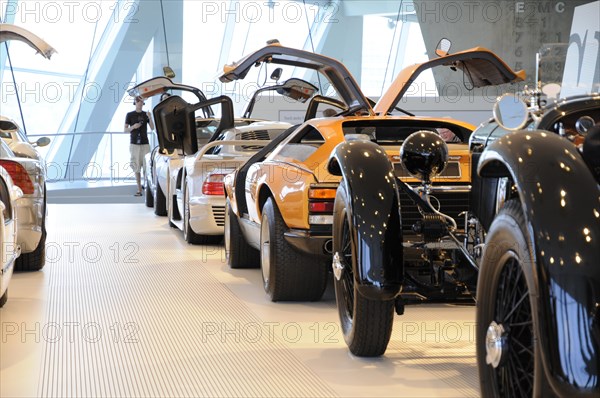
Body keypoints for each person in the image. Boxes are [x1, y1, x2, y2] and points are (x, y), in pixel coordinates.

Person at [125, 96, 155, 196]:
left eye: (141, 101)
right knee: (136, 166)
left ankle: (146, 187)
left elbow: (152, 127)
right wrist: (133, 127)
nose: (139, 102)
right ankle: (139, 189)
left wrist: (150, 117)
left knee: (147, 167)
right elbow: (125, 130)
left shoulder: (146, 114)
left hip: (145, 143)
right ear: (134, 102)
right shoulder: (129, 115)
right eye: (137, 101)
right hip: (134, 143)